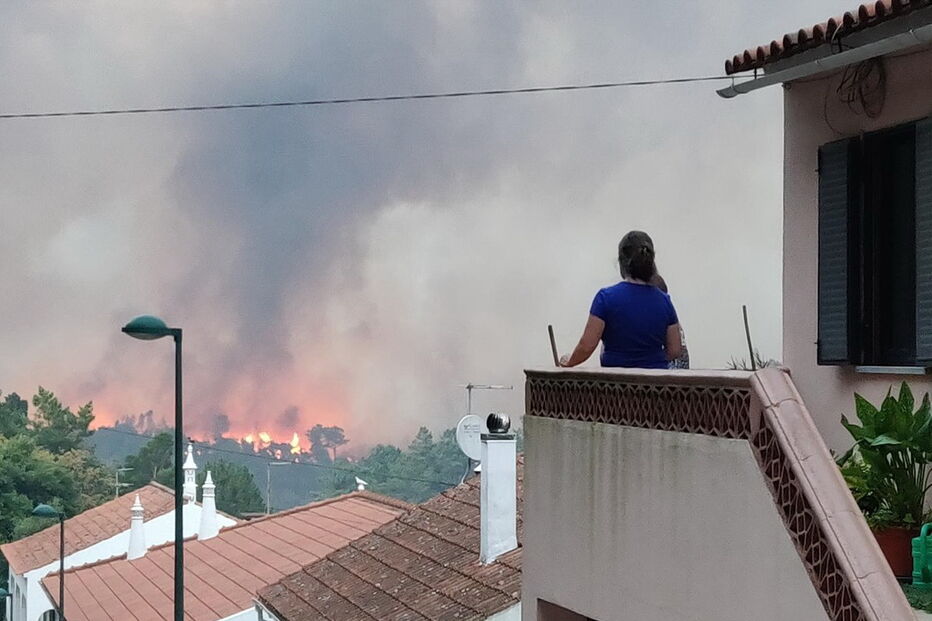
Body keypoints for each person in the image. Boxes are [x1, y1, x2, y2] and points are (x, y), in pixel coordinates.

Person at [560, 231, 682, 368]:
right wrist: (648, 360)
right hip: (654, 385)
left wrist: (569, 362)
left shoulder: (605, 298)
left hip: (616, 386)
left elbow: (587, 346)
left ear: (622, 262)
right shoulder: (665, 301)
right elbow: (675, 349)